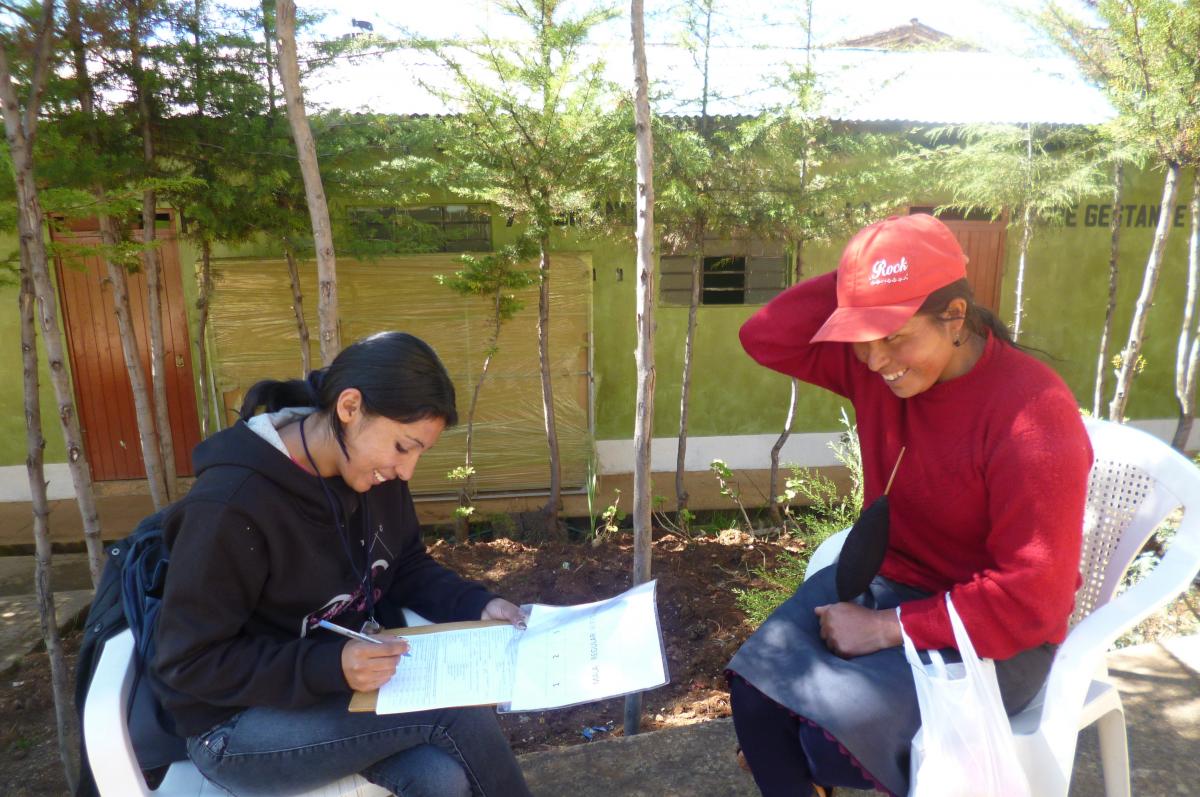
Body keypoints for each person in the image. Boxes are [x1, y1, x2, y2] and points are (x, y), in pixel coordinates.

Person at [726, 214, 1093, 797]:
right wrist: (866, 281)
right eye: (862, 340)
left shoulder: (1031, 413)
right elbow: (765, 335)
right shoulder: (883, 369)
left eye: (894, 336)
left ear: (955, 317)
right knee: (755, 694)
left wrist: (886, 628)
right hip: (891, 579)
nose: (875, 362)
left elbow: (1032, 600)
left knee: (826, 742)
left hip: (1000, 638)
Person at [151, 331, 532, 797]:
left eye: (418, 453)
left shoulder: (370, 471)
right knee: (456, 710)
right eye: (402, 447)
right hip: (234, 727)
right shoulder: (231, 508)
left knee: (440, 779)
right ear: (349, 408)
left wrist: (479, 602)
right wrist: (331, 666)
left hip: (343, 692)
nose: (406, 470)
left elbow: (403, 565)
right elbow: (188, 662)